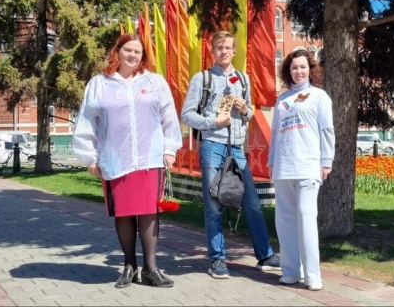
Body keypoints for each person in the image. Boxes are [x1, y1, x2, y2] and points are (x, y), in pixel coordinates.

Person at [72, 33, 182, 289]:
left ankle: (151, 269)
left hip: (149, 158)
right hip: (115, 159)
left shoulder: (154, 82)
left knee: (149, 212)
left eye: (137, 51)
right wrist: (90, 157)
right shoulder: (100, 83)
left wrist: (170, 149)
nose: (132, 55)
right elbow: (87, 119)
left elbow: (168, 116)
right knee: (124, 213)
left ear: (143, 56)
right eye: (128, 50)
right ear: (117, 51)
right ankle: (129, 266)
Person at [181, 30, 280, 279]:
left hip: (237, 148)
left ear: (234, 51)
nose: (223, 51)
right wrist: (213, 122)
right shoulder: (202, 78)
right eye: (219, 48)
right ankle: (217, 259)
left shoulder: (243, 79)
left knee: (252, 204)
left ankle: (265, 255)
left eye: (227, 48)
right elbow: (186, 114)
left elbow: (249, 115)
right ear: (212, 51)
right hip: (212, 146)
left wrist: (245, 110)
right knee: (213, 205)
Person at [267, 49, 335, 291]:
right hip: (284, 166)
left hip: (308, 165)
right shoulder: (283, 99)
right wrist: (271, 161)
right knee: (285, 220)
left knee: (306, 217)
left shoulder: (319, 96)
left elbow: (327, 130)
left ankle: (312, 275)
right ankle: (291, 271)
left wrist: (326, 161)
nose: (298, 71)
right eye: (294, 67)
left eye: (303, 67)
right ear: (289, 71)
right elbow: (275, 132)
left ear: (310, 69)